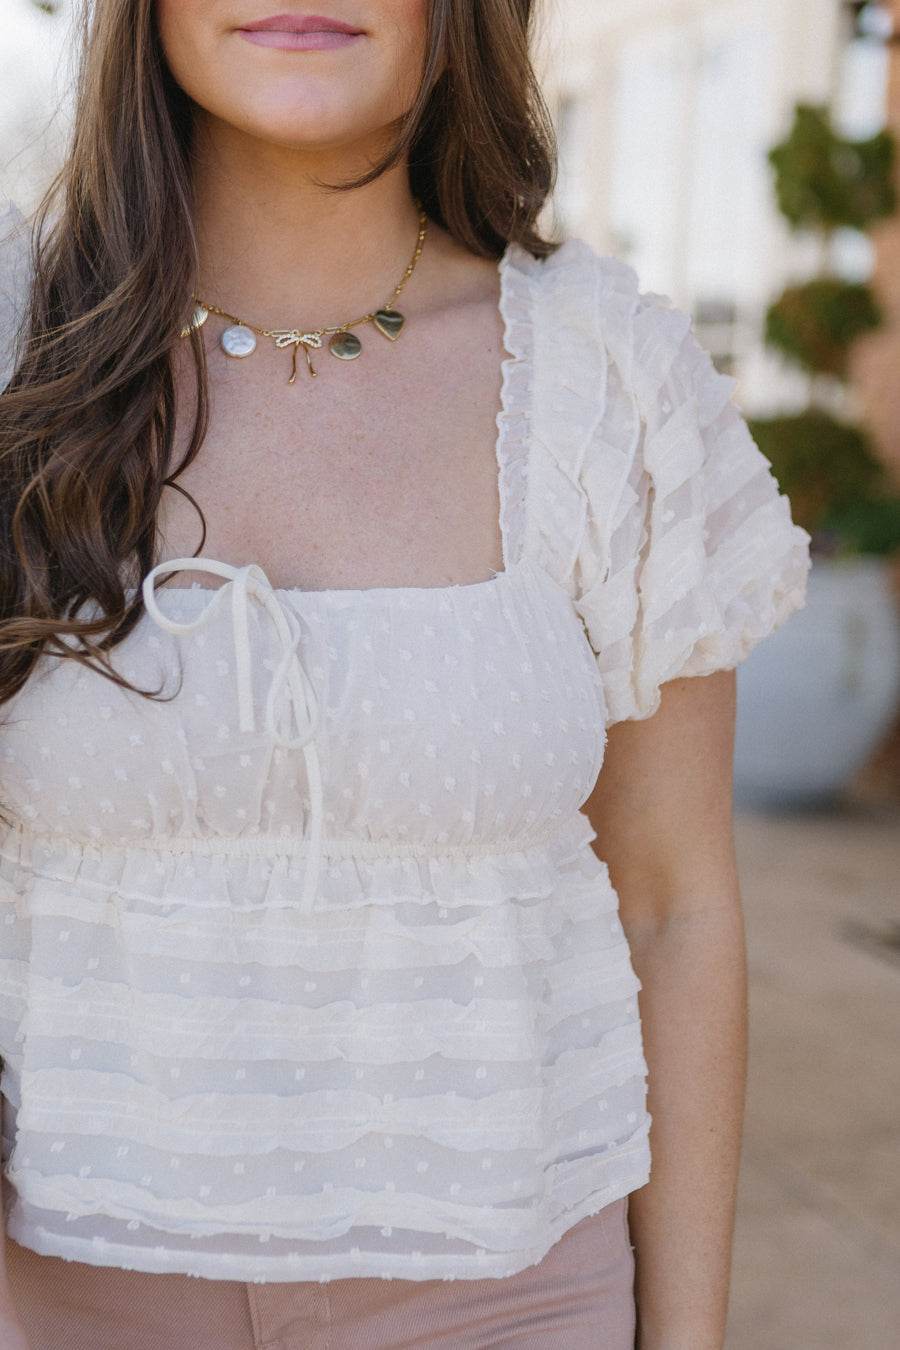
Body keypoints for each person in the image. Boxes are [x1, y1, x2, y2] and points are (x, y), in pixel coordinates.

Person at [0, 2, 809, 1347]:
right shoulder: (14, 348)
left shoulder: (608, 376)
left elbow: (675, 907)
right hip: (60, 1289)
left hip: (515, 1291)